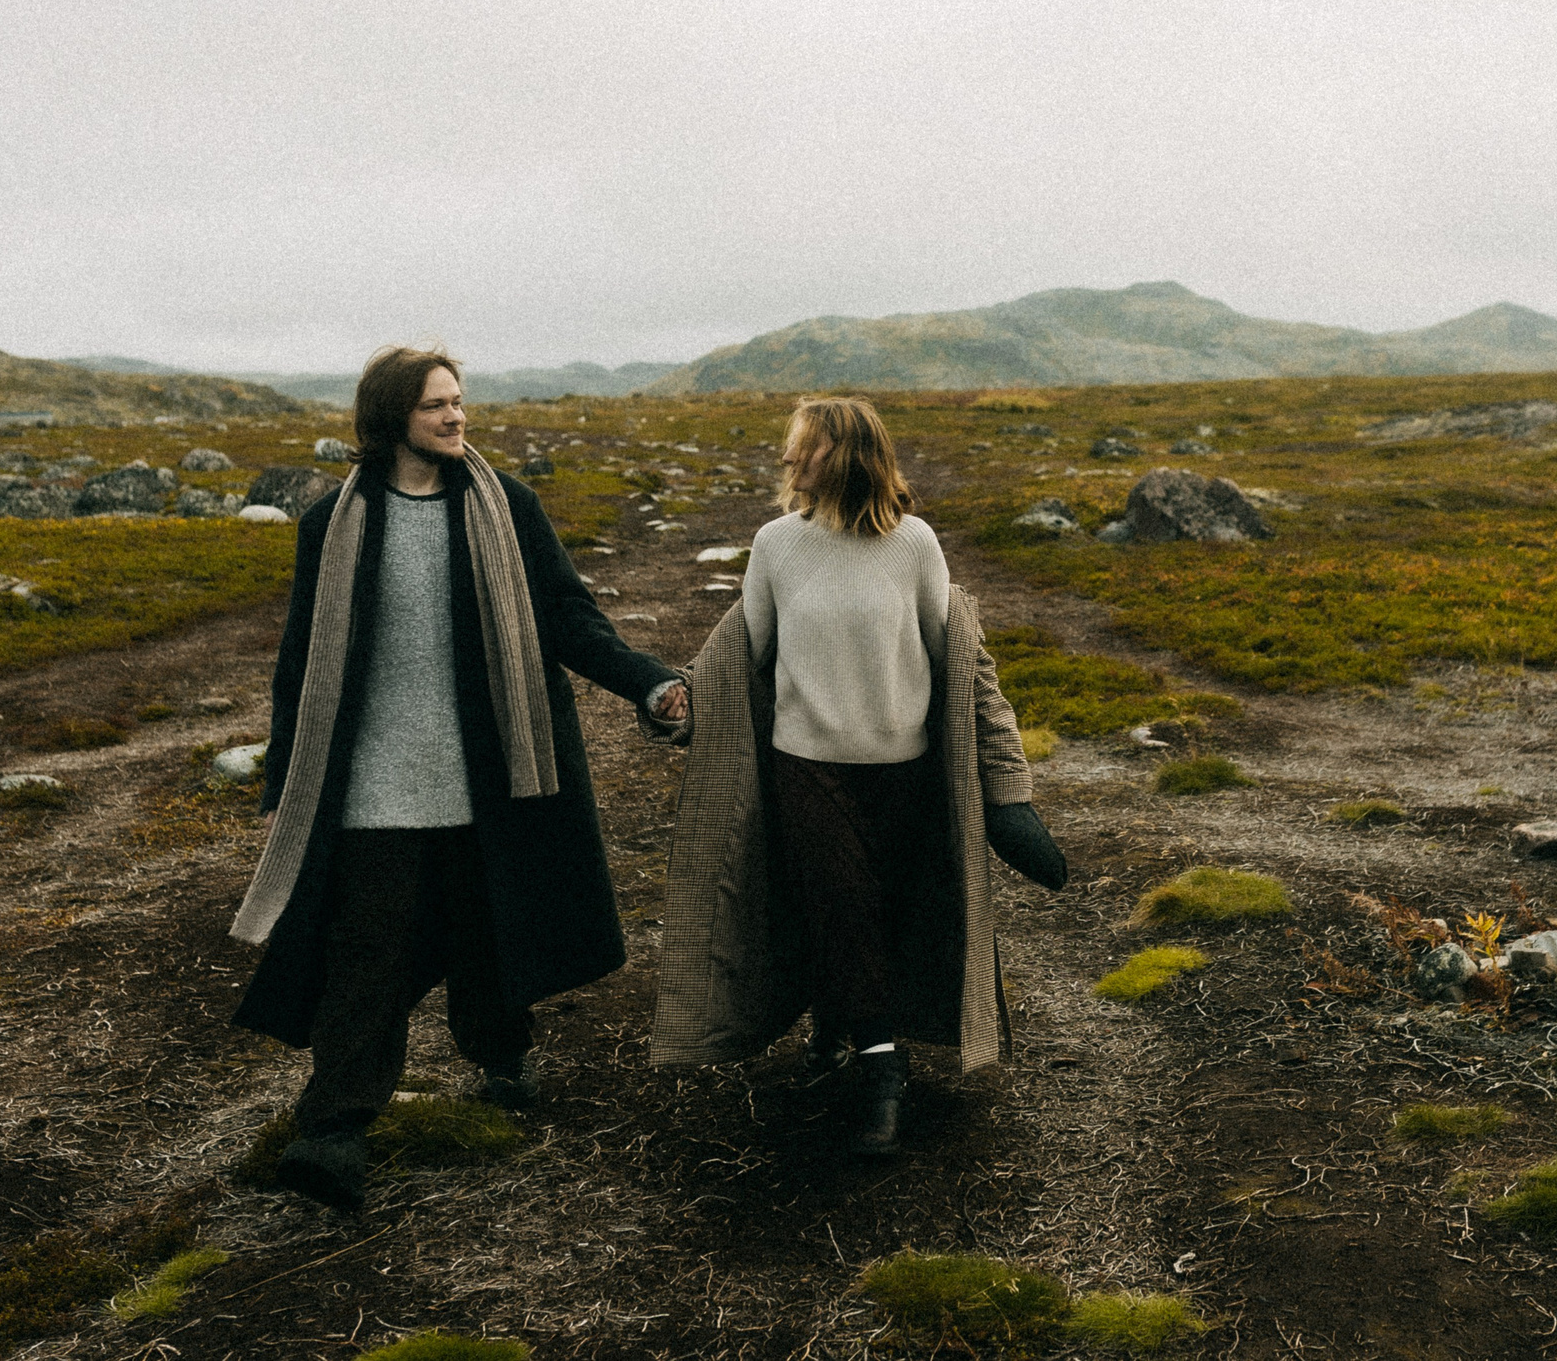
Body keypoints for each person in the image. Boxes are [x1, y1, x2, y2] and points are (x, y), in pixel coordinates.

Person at [227, 345, 689, 1209]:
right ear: (391, 417)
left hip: (489, 772)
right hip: (373, 781)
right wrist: (287, 779)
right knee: (367, 946)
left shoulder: (505, 506)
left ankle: (501, 1056)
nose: (456, 416)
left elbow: (568, 619)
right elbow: (302, 665)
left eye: (460, 401)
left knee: (489, 924)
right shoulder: (332, 524)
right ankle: (333, 1131)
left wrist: (650, 681)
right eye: (438, 404)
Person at [646, 395, 1066, 1156]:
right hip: (805, 769)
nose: (788, 460)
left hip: (903, 773)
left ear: (845, 455)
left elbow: (963, 664)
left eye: (802, 448)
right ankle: (882, 1081)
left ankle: (837, 1027)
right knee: (842, 905)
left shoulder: (915, 546)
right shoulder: (776, 544)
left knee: (884, 916)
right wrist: (678, 704)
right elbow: (744, 656)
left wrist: (1009, 794)